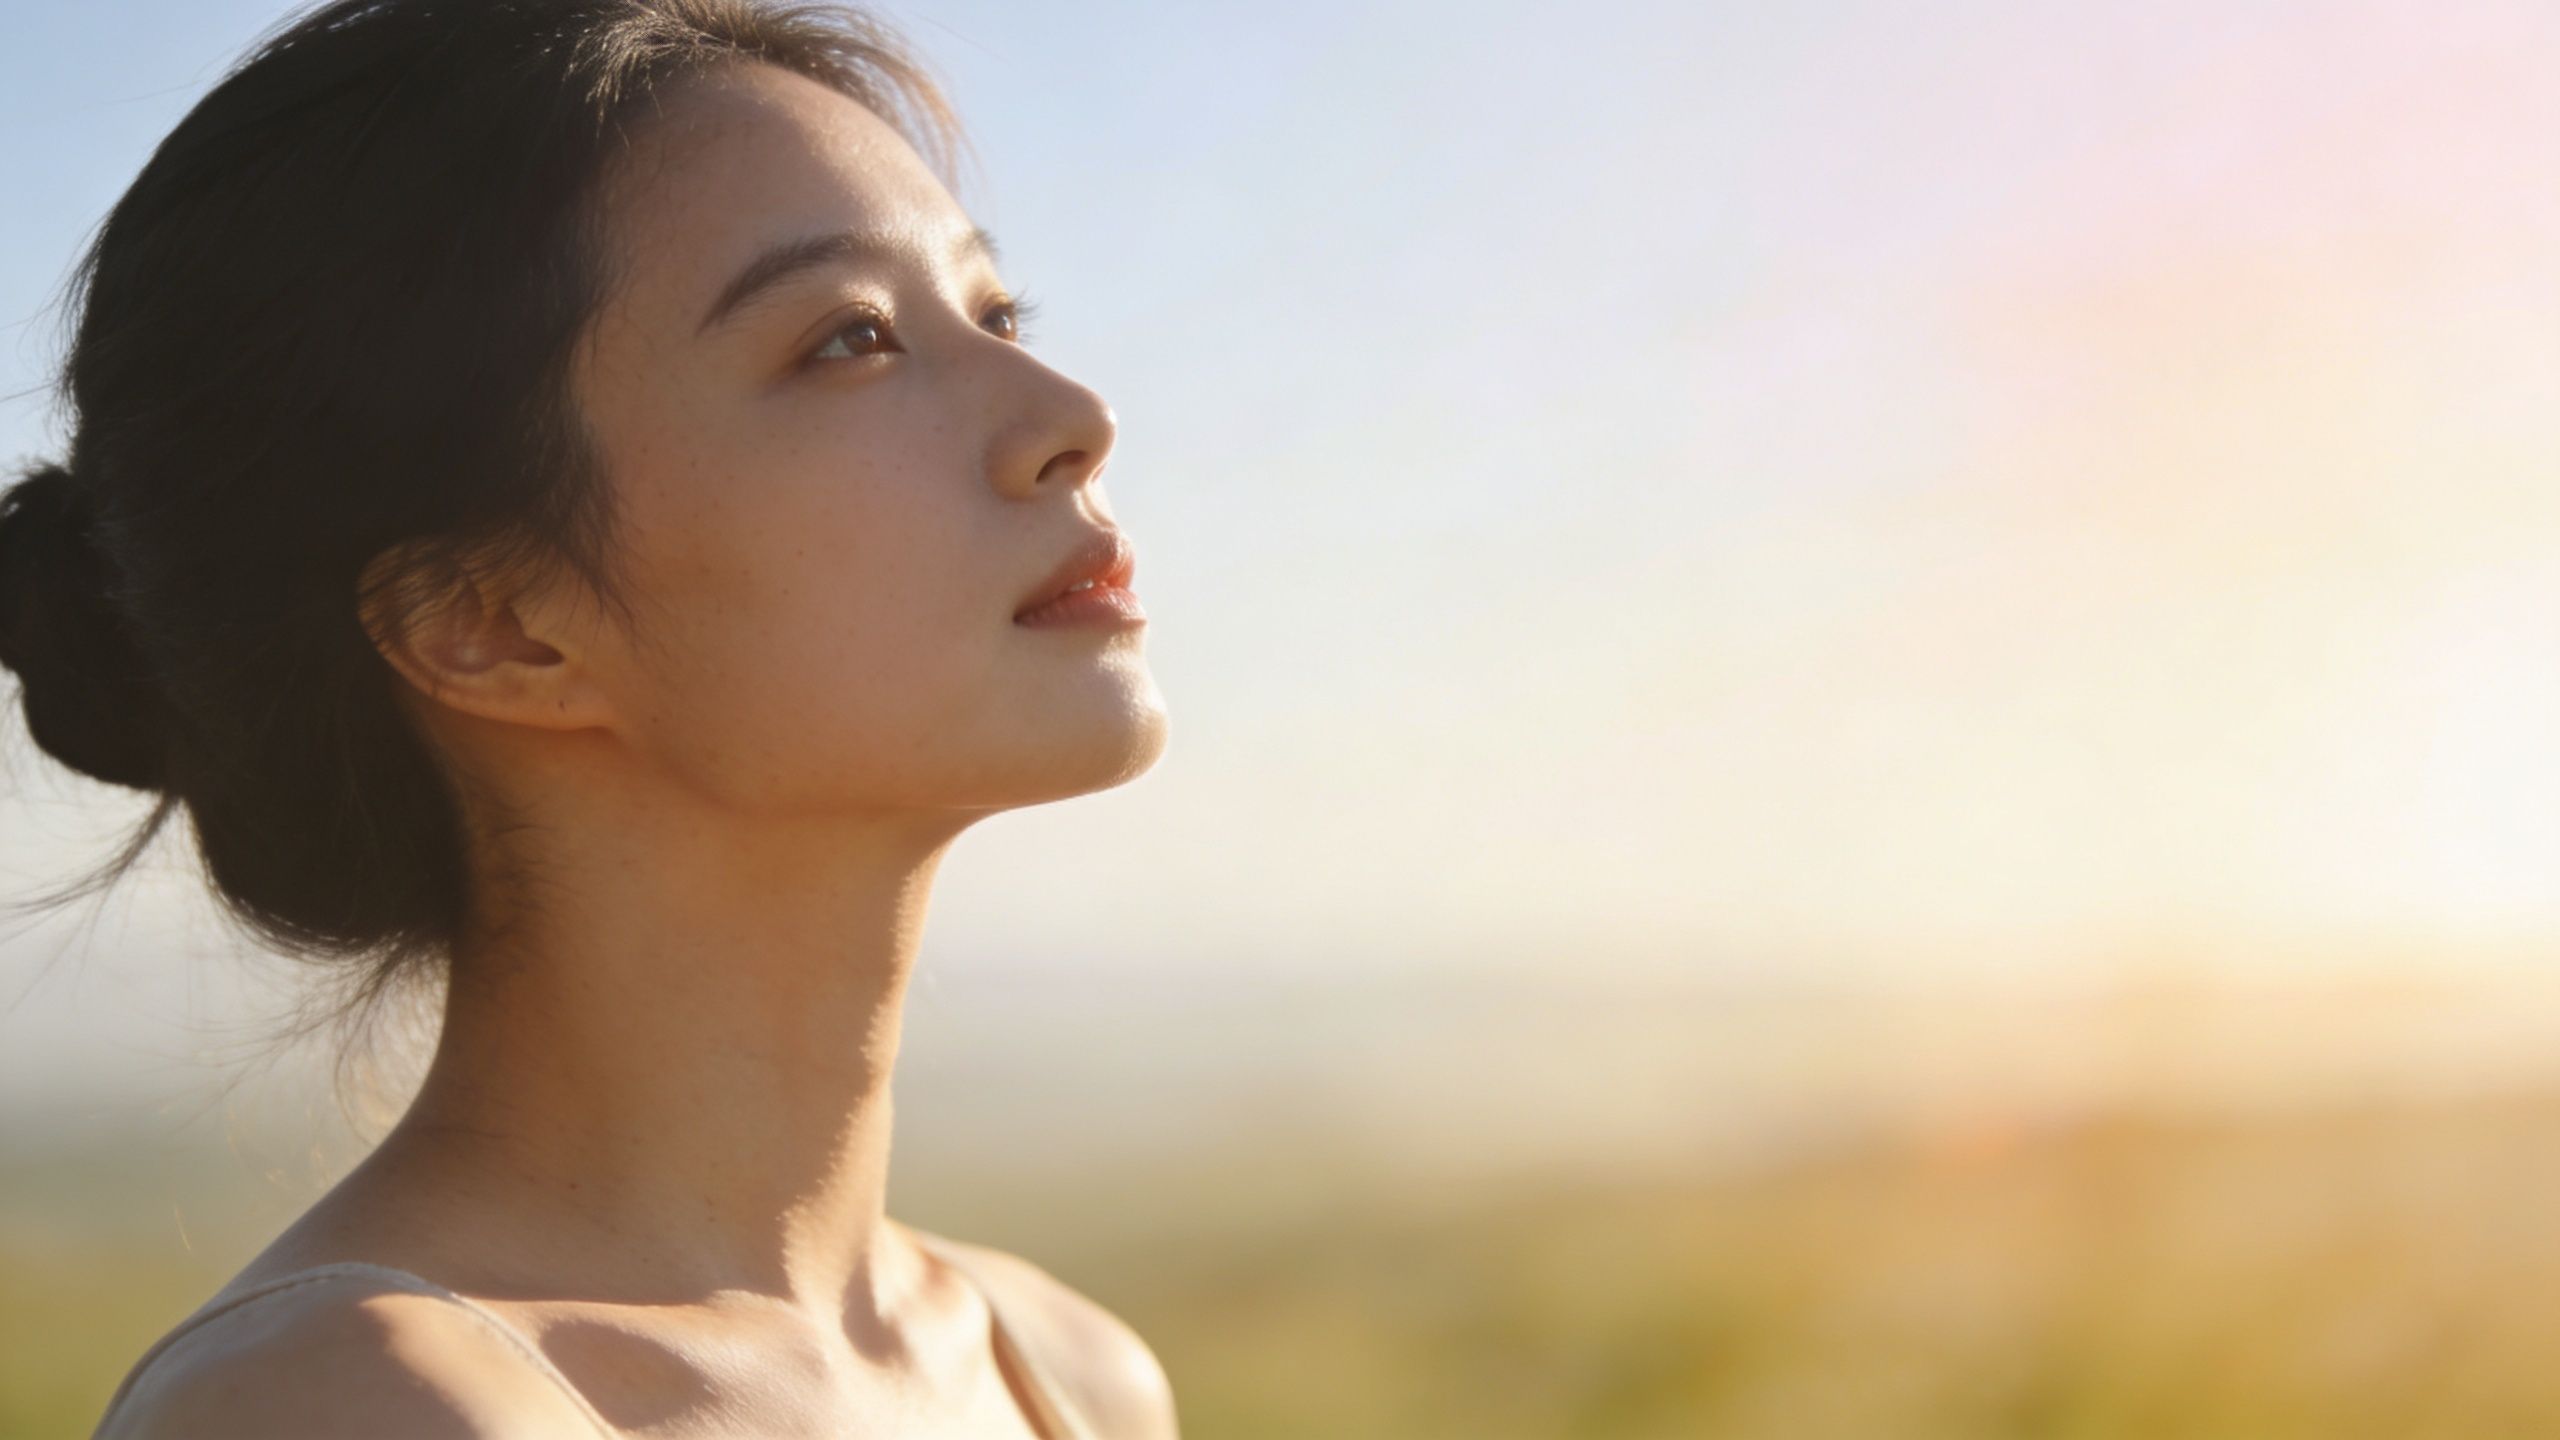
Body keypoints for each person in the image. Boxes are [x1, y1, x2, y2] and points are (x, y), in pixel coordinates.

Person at [0, 1, 1177, 1434]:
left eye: (995, 313)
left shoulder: (1066, 1374)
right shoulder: (352, 1410)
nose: (1073, 412)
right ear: (491, 624)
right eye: (849, 339)